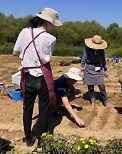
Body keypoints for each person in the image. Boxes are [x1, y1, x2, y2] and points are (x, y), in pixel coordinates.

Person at [12, 8, 62, 146]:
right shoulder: (51, 39)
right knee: (44, 109)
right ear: (47, 22)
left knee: (27, 108)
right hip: (42, 77)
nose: (53, 27)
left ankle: (28, 138)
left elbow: (15, 52)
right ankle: (42, 140)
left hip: (27, 76)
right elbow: (45, 60)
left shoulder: (24, 32)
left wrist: (27, 57)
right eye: (53, 24)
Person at [80, 35, 109, 107]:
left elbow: (103, 60)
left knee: (102, 86)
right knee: (90, 87)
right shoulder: (87, 49)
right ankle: (93, 101)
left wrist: (105, 70)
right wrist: (82, 70)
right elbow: (83, 59)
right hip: (89, 67)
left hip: (98, 68)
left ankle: (106, 101)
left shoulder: (101, 50)